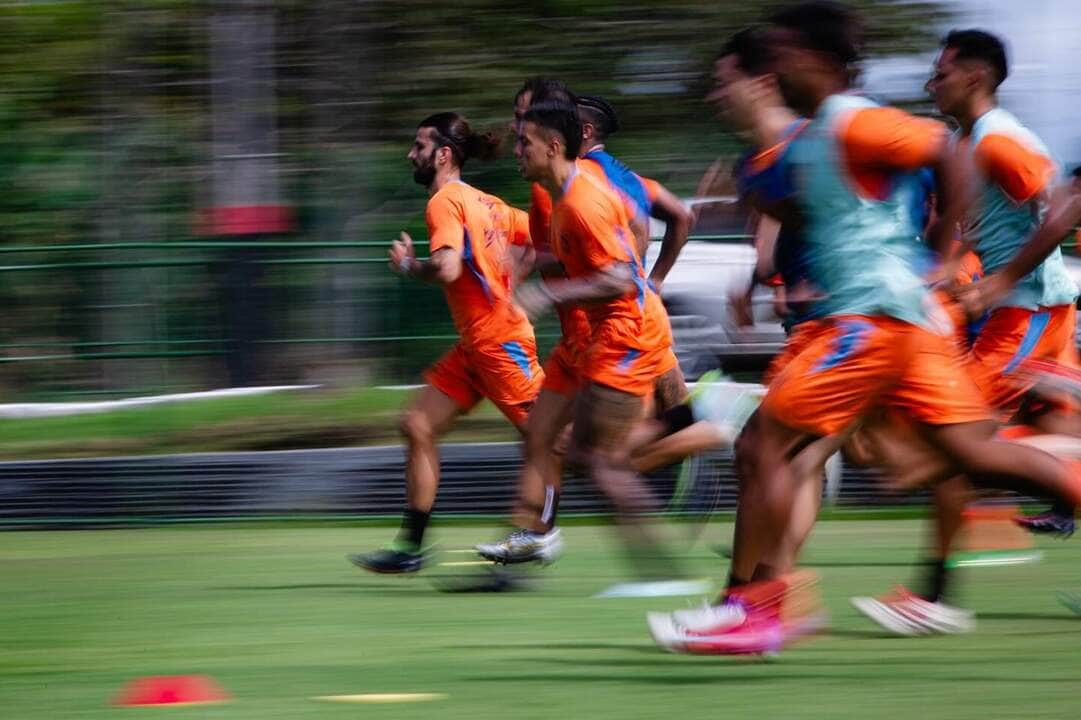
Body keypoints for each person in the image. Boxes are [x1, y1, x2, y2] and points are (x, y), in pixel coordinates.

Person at [649, 2, 1081, 655]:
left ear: (815, 60)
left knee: (762, 446)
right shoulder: (819, 132)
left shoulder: (858, 120)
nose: (771, 70)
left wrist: (940, 257)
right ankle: (753, 605)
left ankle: (757, 610)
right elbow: (823, 210)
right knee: (969, 454)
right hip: (902, 322)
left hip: (876, 320)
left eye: (782, 54)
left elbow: (946, 156)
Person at [476, 89, 694, 569]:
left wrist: (551, 292)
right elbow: (607, 244)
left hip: (620, 334)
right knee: (541, 434)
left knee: (600, 459)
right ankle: (539, 534)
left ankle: (661, 570)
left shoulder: (582, 199)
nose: (515, 148)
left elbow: (618, 274)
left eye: (523, 138)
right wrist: (525, 263)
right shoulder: (563, 194)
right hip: (585, 336)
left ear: (557, 143)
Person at [349, 112, 544, 574]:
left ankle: (659, 445)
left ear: (442, 155)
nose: (409, 154)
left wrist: (408, 267)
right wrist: (519, 271)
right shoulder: (489, 203)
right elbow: (541, 235)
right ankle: (411, 549)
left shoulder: (444, 204)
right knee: (417, 423)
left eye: (418, 147)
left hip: (499, 343)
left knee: (554, 440)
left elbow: (449, 268)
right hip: (477, 345)